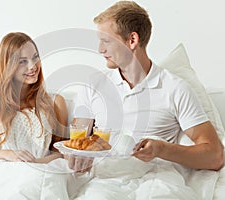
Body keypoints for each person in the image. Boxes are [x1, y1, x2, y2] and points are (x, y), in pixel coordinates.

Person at [69, 1, 223, 172]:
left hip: (151, 181)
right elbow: (76, 143)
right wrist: (76, 157)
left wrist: (162, 149)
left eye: (106, 41)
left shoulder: (174, 89)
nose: (100, 49)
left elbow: (215, 156)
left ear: (132, 40)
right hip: (101, 179)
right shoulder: (93, 86)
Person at [0, 32, 68, 164]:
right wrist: (7, 154)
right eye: (23, 61)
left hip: (38, 174)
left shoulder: (55, 102)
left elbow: (62, 153)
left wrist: (35, 163)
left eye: (35, 57)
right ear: (7, 65)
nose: (33, 66)